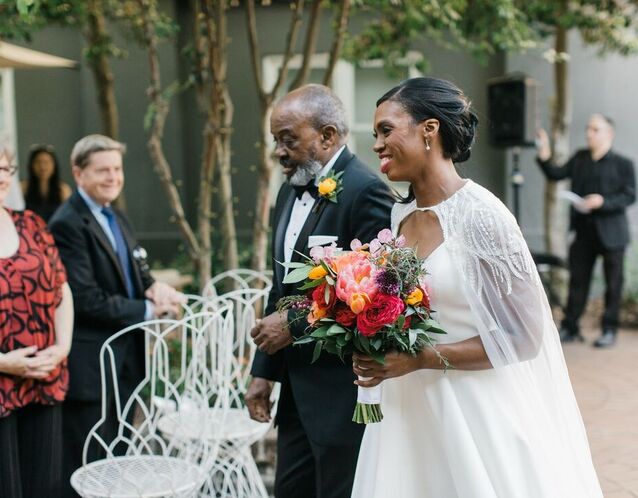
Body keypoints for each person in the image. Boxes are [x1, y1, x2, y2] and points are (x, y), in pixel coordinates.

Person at [350, 77, 603, 498]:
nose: (377, 143)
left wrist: (421, 359)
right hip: (407, 414)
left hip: (476, 412)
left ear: (429, 130)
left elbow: (524, 337)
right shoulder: (400, 216)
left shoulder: (483, 216)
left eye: (386, 130)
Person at [245, 84, 393, 498]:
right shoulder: (287, 191)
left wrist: (292, 324)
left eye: (288, 139)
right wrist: (263, 372)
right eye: (276, 140)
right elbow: (281, 289)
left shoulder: (367, 191)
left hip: (339, 394)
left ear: (327, 136)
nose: (279, 152)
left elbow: (371, 295)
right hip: (295, 394)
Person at [48, 134, 185, 497]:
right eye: (102, 170)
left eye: (117, 169)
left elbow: (136, 271)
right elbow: (85, 299)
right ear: (79, 174)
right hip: (91, 363)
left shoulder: (115, 213)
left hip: (125, 357)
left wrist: (155, 287)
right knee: (88, 459)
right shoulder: (67, 223)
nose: (113, 177)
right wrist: (147, 309)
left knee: (119, 452)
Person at [0, 141, 74, 497]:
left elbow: (61, 288)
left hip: (43, 380)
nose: (1, 177)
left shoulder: (30, 224)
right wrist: (3, 363)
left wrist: (62, 347)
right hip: (1, 383)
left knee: (45, 485)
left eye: (5, 169)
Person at [536, 116, 635, 347]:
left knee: (613, 284)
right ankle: (570, 327)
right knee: (578, 282)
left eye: (595, 129)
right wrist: (544, 153)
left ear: (609, 134)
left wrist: (602, 201)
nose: (589, 133)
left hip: (613, 235)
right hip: (583, 233)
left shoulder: (623, 164)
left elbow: (629, 195)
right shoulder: (580, 158)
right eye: (588, 129)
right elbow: (555, 173)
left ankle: (609, 330)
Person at [21, 144, 72, 222]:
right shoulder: (23, 188)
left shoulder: (63, 189)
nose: (43, 167)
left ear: (54, 165)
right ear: (31, 165)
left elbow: (69, 218)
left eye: (47, 162)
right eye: (38, 162)